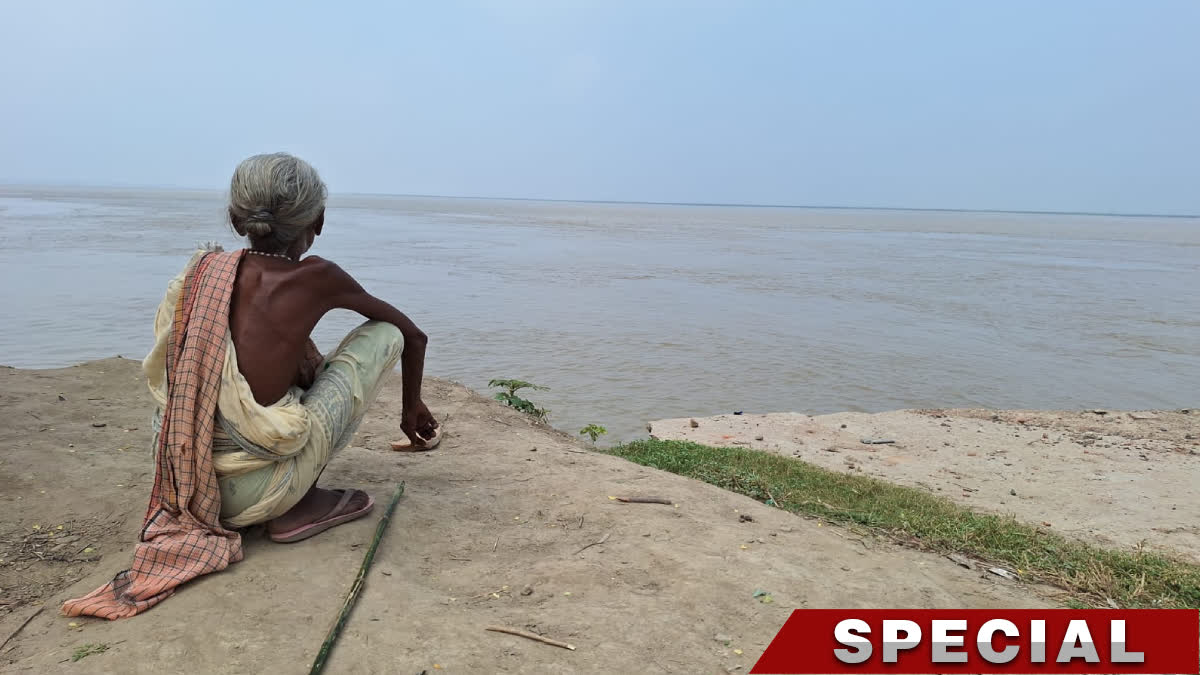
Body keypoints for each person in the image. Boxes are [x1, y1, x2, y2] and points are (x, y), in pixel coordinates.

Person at [62, 153, 437, 619]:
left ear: (236, 219)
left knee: (289, 352)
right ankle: (298, 506)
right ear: (317, 222)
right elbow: (412, 335)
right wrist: (410, 409)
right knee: (384, 334)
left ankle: (279, 486)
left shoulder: (204, 271)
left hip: (186, 484)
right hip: (263, 493)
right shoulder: (319, 277)